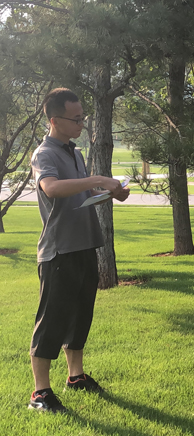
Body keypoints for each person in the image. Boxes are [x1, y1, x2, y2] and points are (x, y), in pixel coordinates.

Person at [28, 88, 130, 412]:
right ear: (54, 120)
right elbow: (52, 188)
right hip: (60, 251)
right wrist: (96, 179)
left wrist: (111, 192)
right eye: (76, 119)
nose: (81, 124)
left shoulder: (75, 153)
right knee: (52, 321)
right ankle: (40, 394)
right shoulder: (44, 154)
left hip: (86, 244)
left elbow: (82, 194)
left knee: (81, 316)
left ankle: (76, 376)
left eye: (83, 118)